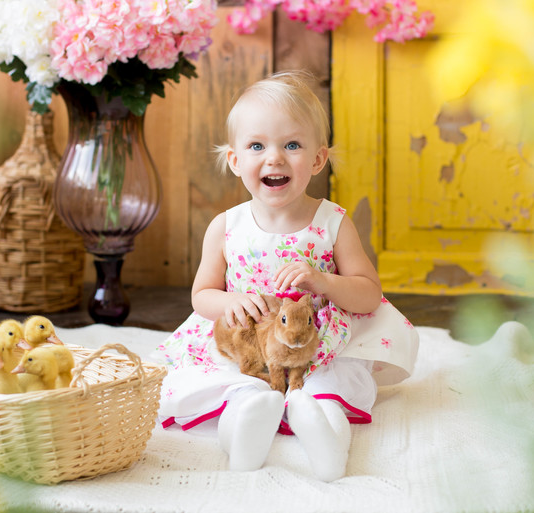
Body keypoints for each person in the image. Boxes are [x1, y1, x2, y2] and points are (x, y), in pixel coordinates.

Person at [153, 70, 418, 481]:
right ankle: (244, 430)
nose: (274, 158)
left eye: (291, 145)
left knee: (327, 388)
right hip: (248, 344)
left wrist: (323, 281)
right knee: (234, 386)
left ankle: (326, 437)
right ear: (235, 160)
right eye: (257, 145)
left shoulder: (332, 222)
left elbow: (368, 294)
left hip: (316, 344)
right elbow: (202, 295)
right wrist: (231, 301)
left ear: (317, 159)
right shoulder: (226, 226)